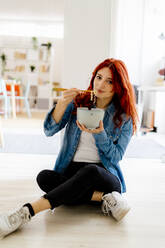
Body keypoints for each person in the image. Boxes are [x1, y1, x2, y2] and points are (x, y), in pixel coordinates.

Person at [0, 58, 138, 239]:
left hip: (103, 175)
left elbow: (115, 157)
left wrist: (100, 133)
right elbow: (49, 130)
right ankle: (104, 198)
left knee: (90, 171)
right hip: (72, 172)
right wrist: (62, 104)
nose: (101, 84)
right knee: (44, 177)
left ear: (119, 86)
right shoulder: (78, 103)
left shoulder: (125, 117)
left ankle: (26, 212)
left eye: (109, 81)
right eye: (98, 77)